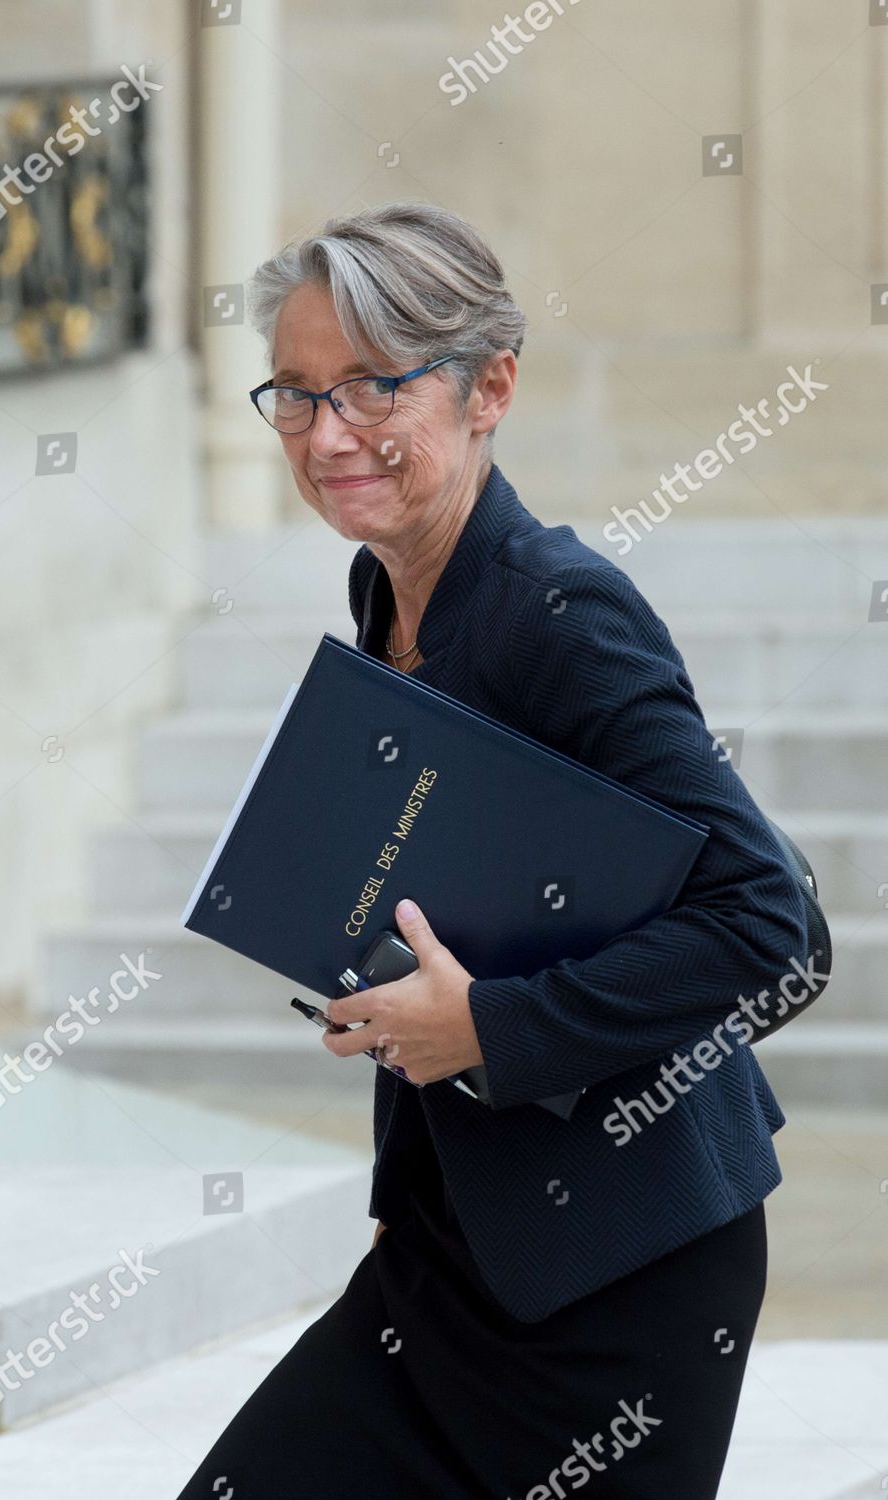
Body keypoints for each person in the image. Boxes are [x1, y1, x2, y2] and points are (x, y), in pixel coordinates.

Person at [175, 201, 808, 1500]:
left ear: (489, 389)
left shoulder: (558, 613)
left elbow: (768, 926)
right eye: (293, 395)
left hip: (621, 1274)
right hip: (454, 1255)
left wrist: (493, 1028)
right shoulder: (390, 591)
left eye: (369, 386)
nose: (327, 435)